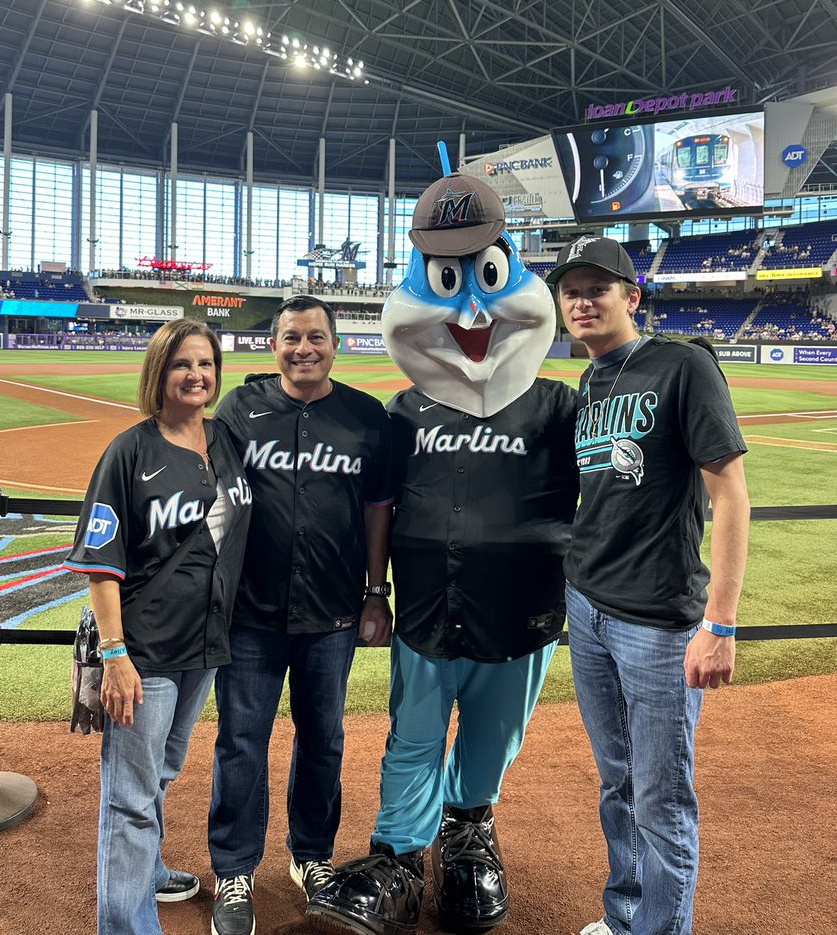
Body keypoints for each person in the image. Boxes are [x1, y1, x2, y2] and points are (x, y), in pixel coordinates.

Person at [307, 166, 579, 935]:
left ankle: (468, 835)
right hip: (427, 605)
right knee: (413, 733)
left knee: (493, 734)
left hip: (522, 613)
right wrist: (373, 593)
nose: (470, 306)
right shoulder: (406, 409)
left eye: (486, 277)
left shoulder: (560, 404)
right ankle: (398, 853)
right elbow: (378, 507)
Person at [547, 236, 750, 935]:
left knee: (660, 797)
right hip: (589, 605)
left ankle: (662, 928)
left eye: (597, 288)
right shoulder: (591, 380)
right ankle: (626, 914)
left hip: (658, 623)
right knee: (616, 783)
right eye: (570, 290)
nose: (581, 301)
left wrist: (719, 624)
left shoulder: (683, 365)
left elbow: (730, 496)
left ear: (632, 297)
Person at [208, 294, 394, 935]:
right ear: (274, 345)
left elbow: (378, 512)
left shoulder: (366, 418)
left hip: (332, 611)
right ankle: (234, 871)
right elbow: (209, 496)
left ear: (335, 343)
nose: (303, 348)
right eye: (292, 337)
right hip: (249, 612)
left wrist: (377, 593)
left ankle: (311, 856)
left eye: (316, 336)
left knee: (324, 740)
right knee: (241, 741)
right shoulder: (239, 410)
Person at [63, 319, 253, 935]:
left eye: (205, 363)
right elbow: (100, 561)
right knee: (130, 798)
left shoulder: (224, 440)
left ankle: (143, 874)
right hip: (143, 652)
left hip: (203, 646)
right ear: (158, 374)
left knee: (160, 773)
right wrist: (114, 654)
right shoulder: (131, 451)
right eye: (181, 365)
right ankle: (126, 924)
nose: (196, 375)